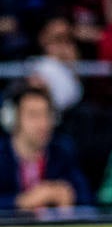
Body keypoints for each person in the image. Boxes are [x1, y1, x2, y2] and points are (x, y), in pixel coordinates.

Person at [0, 83, 91, 211]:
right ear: (13, 119)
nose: (43, 123)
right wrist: (22, 201)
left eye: (47, 114)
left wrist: (68, 195)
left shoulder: (62, 152)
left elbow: (87, 199)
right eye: (33, 115)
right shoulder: (2, 154)